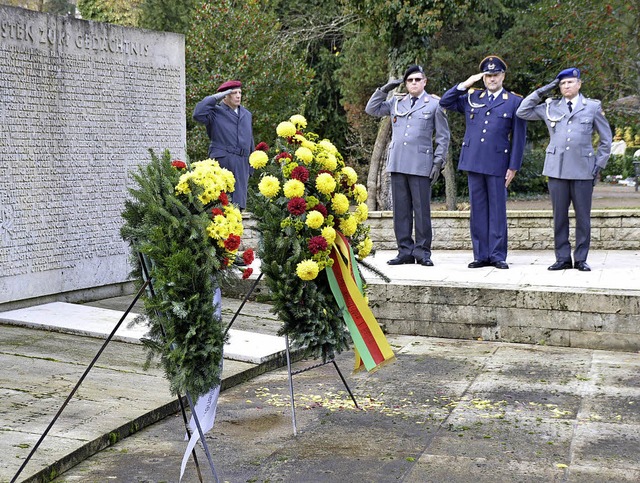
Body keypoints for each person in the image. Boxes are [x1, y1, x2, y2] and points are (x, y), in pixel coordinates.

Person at [516, 68, 612, 272]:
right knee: (559, 216)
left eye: (570, 82)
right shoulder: (551, 106)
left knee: (583, 217)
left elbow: (606, 139)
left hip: (583, 169)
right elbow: (522, 111)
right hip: (557, 169)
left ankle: (581, 259)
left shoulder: (592, 107)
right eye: (562, 83)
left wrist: (599, 164)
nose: (566, 86)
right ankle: (562, 258)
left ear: (579, 84)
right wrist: (544, 90)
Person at [439, 55, 527, 269]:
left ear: (503, 76)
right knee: (477, 210)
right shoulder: (472, 97)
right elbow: (445, 101)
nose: (491, 79)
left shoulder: (514, 101)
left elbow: (519, 137)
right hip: (474, 160)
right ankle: (480, 254)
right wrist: (466, 83)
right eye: (488, 76)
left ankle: (497, 255)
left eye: (495, 75)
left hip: (498, 162)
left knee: (497, 211)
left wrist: (513, 166)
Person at [365, 65, 450, 266]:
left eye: (417, 80)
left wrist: (439, 161)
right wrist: (385, 89)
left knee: (422, 212)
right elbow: (372, 109)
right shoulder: (396, 102)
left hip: (421, 164)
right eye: (410, 80)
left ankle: (422, 252)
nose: (413, 83)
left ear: (424, 82)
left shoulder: (434, 104)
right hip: (398, 163)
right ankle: (404, 250)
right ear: (405, 83)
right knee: (401, 211)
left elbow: (443, 137)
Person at [193, 80, 254, 210]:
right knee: (220, 204)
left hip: (241, 165)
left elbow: (250, 140)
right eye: (234, 93)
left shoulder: (247, 114)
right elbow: (197, 114)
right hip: (222, 161)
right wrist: (215, 98)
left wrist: (251, 167)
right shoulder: (215, 112)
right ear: (225, 96)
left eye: (240, 92)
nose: (238, 96)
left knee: (238, 206)